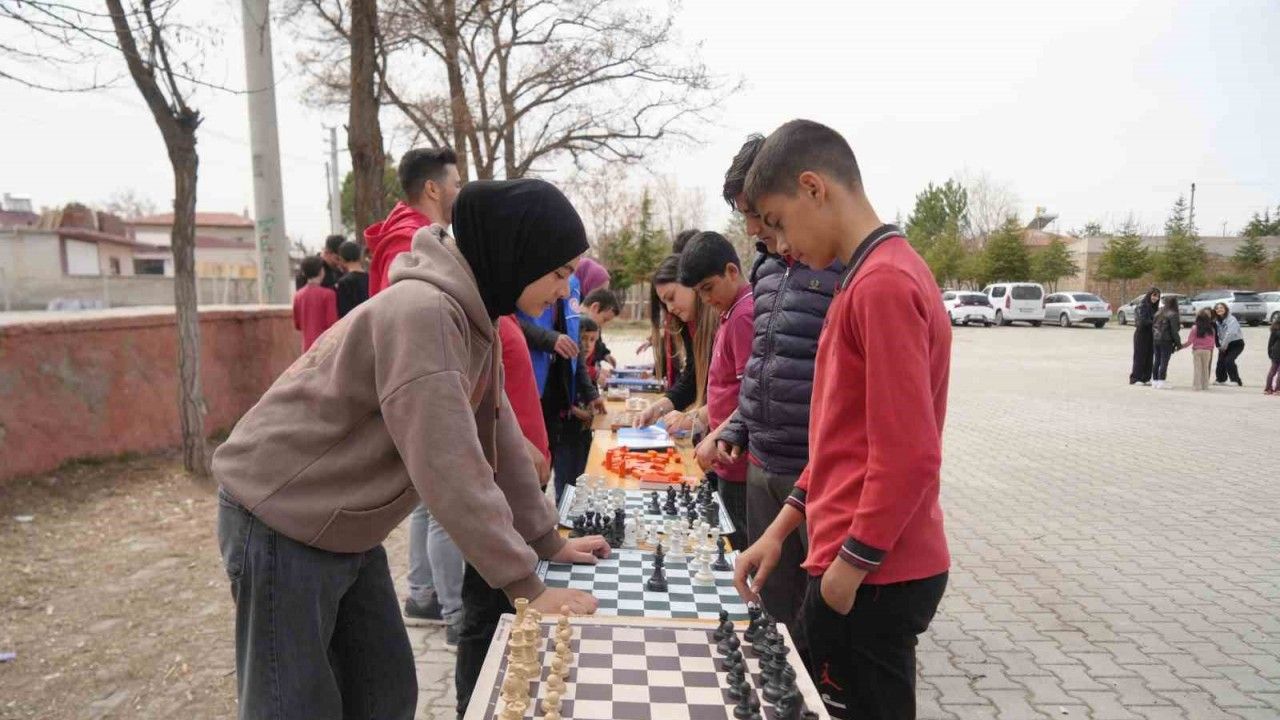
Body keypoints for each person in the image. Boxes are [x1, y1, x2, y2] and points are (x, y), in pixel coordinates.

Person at [213, 178, 608, 720]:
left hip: (341, 522)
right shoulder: (425, 313)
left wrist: (545, 540)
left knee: (385, 694)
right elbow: (450, 465)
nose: (565, 292)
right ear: (516, 254)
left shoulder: (476, 318)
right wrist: (526, 588)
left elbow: (498, 435)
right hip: (281, 513)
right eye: (560, 273)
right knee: (294, 706)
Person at [734, 120, 950, 720]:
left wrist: (847, 571)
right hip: (854, 564)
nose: (780, 245)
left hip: (873, 574)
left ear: (813, 187)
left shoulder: (883, 284)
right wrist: (779, 531)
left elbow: (908, 455)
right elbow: (842, 443)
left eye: (778, 222)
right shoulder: (863, 277)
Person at [714, 133, 841, 632]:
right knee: (772, 607)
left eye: (757, 213)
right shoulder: (765, 267)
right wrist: (739, 424)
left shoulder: (842, 266)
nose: (751, 228)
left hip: (813, 471)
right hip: (761, 463)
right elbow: (764, 361)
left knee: (819, 619)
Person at [678, 231, 754, 549]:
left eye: (708, 288)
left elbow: (753, 394)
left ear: (732, 271)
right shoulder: (729, 313)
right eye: (700, 292)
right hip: (726, 458)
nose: (706, 299)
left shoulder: (743, 316)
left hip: (737, 460)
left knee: (737, 546)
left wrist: (714, 437)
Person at [520, 273, 605, 503]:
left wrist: (590, 393)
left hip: (556, 398)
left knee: (545, 469)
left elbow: (574, 350)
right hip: (529, 392)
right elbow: (509, 323)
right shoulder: (527, 280)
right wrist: (549, 339)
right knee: (525, 474)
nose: (565, 290)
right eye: (560, 275)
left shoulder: (572, 286)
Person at [636, 254, 720, 431]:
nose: (670, 308)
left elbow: (736, 394)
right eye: (664, 303)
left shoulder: (725, 321)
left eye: (671, 297)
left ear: (692, 284)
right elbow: (691, 378)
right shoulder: (689, 323)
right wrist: (657, 408)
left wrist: (694, 418)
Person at [365, 147, 462, 296]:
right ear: (432, 189)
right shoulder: (410, 243)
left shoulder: (420, 238)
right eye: (457, 185)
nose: (461, 193)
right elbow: (400, 307)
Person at [292, 256, 338, 352]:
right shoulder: (329, 294)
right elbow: (332, 323)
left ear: (304, 273)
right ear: (321, 271)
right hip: (324, 346)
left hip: (306, 347)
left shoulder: (298, 295)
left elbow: (297, 324)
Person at [582, 287, 621, 381]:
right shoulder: (577, 326)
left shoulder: (592, 326)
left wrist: (605, 354)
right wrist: (595, 373)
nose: (603, 325)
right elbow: (574, 364)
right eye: (604, 319)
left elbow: (598, 345)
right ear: (595, 307)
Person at [1129, 287, 1160, 385]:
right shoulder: (1142, 306)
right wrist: (1155, 323)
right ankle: (1135, 378)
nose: (1155, 298)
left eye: (1157, 296)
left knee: (1149, 356)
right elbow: (1142, 321)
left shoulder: (1155, 307)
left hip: (1151, 334)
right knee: (1140, 356)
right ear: (1149, 295)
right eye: (1154, 295)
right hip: (1141, 334)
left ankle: (1146, 378)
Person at [1182, 308, 1217, 391]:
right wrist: (1210, 348)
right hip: (1208, 351)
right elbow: (1213, 341)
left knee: (1197, 368)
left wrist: (1182, 346)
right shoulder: (1211, 329)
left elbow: (1190, 341)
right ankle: (1205, 385)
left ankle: (1197, 386)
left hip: (1197, 350)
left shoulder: (1195, 328)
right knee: (1205, 368)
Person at [1151, 296, 1182, 389]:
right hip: (1166, 340)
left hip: (1156, 339)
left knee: (1157, 360)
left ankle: (1155, 381)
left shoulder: (1158, 312)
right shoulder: (1173, 314)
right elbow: (1174, 331)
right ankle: (1161, 381)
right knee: (1164, 361)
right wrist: (1178, 344)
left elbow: (1153, 327)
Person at [334, 240, 369, 318]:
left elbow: (343, 312)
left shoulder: (343, 282)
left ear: (342, 258)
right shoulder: (370, 277)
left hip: (354, 322)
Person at [1213, 302, 1245, 386]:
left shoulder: (1231, 319)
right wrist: (1220, 345)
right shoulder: (1217, 321)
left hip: (1236, 343)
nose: (1219, 309)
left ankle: (1235, 380)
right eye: (1217, 308)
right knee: (1220, 362)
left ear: (1226, 309)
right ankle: (1220, 379)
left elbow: (1230, 333)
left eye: (1221, 307)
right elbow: (1217, 334)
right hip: (1224, 344)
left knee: (1229, 360)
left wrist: (1223, 345)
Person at [1265, 316, 1280, 395]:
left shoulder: (1274, 329)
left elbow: (1270, 342)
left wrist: (1270, 353)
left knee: (1272, 371)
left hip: (1275, 353)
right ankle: (1278, 389)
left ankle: (1268, 389)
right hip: (1276, 352)